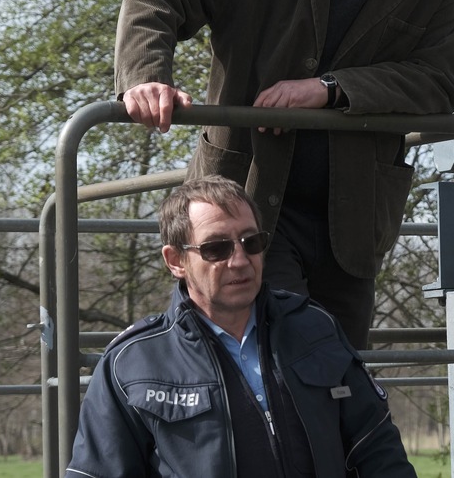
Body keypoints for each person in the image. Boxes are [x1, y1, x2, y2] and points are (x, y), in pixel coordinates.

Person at [113, 0, 454, 349]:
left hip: (353, 222)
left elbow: (436, 83)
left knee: (341, 377)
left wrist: (329, 88)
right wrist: (145, 77)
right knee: (278, 358)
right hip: (246, 208)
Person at [66, 175, 416, 477]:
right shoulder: (133, 363)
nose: (239, 260)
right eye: (216, 248)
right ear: (176, 261)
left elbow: (376, 449)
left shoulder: (316, 330)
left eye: (252, 242)